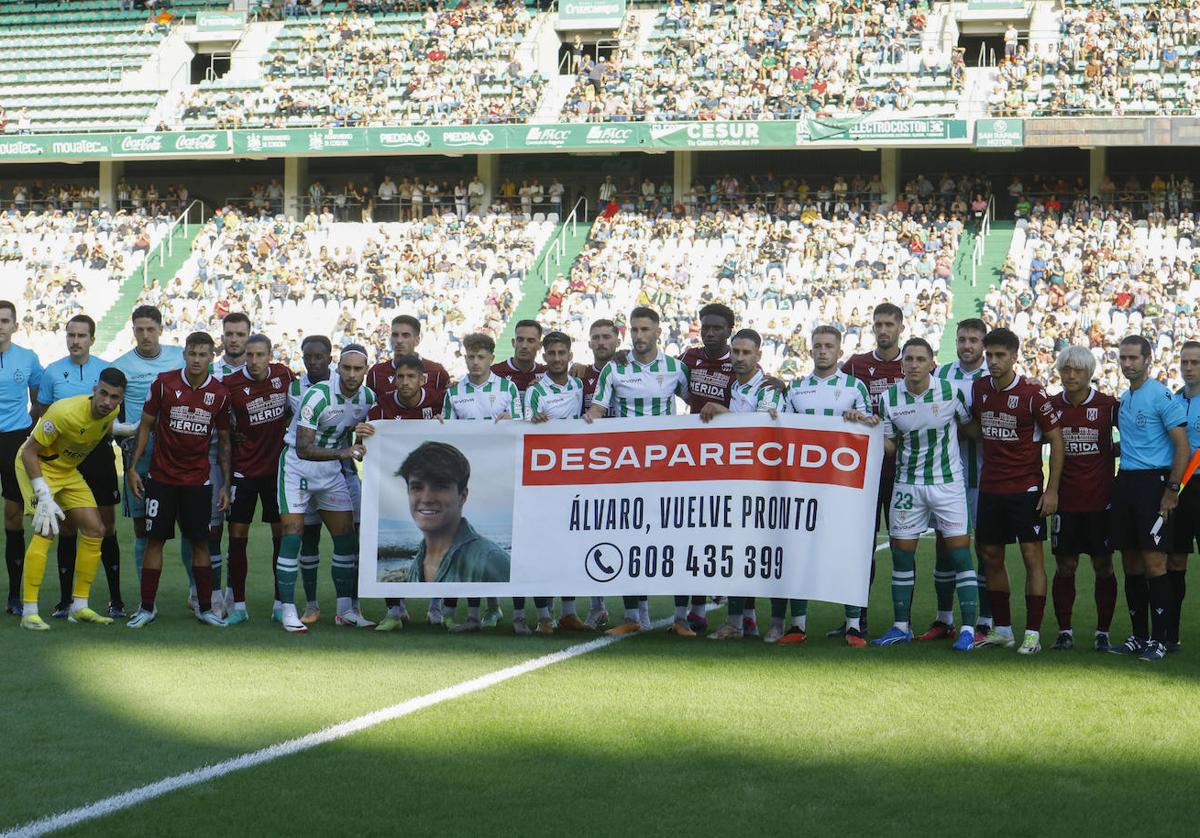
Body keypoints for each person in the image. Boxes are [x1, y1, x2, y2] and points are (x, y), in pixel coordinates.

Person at [586, 306, 690, 636]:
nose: (639, 336)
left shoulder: (675, 368)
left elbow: (696, 406)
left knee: (675, 536)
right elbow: (597, 410)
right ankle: (634, 614)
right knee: (629, 536)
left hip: (665, 467)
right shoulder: (615, 368)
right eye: (634, 330)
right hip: (626, 467)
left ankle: (682, 617)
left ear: (659, 332)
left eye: (645, 330)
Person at [871, 338, 978, 651]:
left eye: (920, 359)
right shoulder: (889, 398)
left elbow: (970, 428)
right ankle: (900, 626)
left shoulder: (950, 392)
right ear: (902, 363)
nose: (913, 364)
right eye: (909, 359)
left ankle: (968, 630)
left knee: (960, 555)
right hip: (907, 485)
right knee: (902, 556)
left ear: (932, 362)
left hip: (948, 484)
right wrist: (873, 432)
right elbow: (890, 446)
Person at [124, 332, 231, 629]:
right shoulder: (163, 384)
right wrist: (133, 468)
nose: (197, 360)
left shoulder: (220, 394)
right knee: (154, 541)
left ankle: (205, 607)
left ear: (212, 357)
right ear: (184, 354)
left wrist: (224, 484)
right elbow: (145, 426)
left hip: (198, 481)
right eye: (192, 353)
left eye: (203, 355)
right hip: (162, 478)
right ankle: (147, 608)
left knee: (201, 542)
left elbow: (224, 442)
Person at [778, 325, 875, 645]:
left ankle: (853, 625)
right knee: (799, 550)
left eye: (828, 346)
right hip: (804, 486)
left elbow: (873, 428)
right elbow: (783, 434)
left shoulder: (855, 387)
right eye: (817, 345)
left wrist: (861, 420)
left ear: (838, 351)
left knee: (848, 552)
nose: (822, 351)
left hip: (843, 487)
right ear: (810, 350)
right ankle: (798, 625)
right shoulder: (795, 389)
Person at [972, 328, 1064, 655]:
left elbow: (1056, 441)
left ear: (1014, 357)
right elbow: (975, 427)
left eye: (1000, 356)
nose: (993, 362)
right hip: (991, 487)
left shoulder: (1032, 394)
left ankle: (1033, 633)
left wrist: (1051, 491)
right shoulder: (980, 388)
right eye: (990, 355)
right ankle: (1004, 630)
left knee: (1031, 558)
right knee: (992, 557)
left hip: (1025, 489)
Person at [14, 369, 128, 630]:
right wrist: (43, 494)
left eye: (114, 397)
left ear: (120, 399)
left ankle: (80, 607)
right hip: (36, 467)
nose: (107, 402)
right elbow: (29, 453)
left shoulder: (110, 412)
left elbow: (105, 427)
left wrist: (126, 429)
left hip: (66, 471)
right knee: (46, 530)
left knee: (96, 529)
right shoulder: (62, 412)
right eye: (103, 393)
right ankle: (29, 612)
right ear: (94, 389)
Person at [275, 345, 376, 633]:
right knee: (293, 537)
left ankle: (346, 611)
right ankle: (288, 611)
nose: (352, 374)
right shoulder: (317, 395)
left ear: (365, 371)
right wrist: (345, 453)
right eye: (347, 368)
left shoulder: (368, 398)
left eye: (358, 369)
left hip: (330, 471)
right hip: (296, 466)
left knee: (345, 539)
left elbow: (378, 429)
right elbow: (305, 448)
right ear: (338, 367)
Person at [700, 328, 789, 641]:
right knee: (739, 552)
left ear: (758, 355)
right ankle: (736, 622)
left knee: (772, 554)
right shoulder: (735, 387)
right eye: (736, 352)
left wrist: (723, 414)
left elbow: (762, 428)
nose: (739, 358)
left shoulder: (767, 388)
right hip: (739, 482)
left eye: (746, 353)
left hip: (769, 484)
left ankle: (777, 622)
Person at [1108, 336, 1190, 661]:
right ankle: (1137, 636)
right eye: (1123, 358)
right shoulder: (1125, 399)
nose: (1127, 364)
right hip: (1125, 482)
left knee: (1155, 561)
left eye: (1133, 358)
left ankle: (1159, 640)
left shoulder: (1160, 395)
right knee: (1130, 561)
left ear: (1147, 359)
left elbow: (1182, 447)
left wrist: (1171, 491)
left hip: (1154, 484)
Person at [36, 314, 123, 619]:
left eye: (81, 336)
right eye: (71, 335)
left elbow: (114, 415)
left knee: (107, 527)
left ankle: (116, 600)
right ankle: (65, 601)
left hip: (98, 456)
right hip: (65, 460)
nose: (75, 341)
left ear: (92, 339)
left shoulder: (107, 371)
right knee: (68, 528)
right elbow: (42, 413)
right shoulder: (52, 372)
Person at [439, 333, 521, 633]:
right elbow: (446, 435)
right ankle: (475, 609)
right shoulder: (454, 392)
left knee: (494, 542)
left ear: (490, 358)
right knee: (469, 541)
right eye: (470, 357)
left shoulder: (507, 388)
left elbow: (523, 429)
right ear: (465, 357)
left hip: (499, 474)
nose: (475, 362)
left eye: (481, 357)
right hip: (467, 479)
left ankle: (495, 605)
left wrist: (511, 421)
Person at [833, 302, 904, 639]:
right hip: (860, 472)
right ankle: (856, 617)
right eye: (878, 324)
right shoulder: (856, 365)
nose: (883, 330)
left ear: (901, 328)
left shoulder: (915, 363)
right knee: (860, 545)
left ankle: (903, 622)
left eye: (889, 324)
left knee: (904, 546)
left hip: (902, 470)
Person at [110, 306, 185, 597]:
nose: (145, 335)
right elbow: (114, 411)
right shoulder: (122, 365)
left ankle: (195, 593)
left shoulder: (179, 357)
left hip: (178, 448)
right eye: (139, 330)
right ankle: (146, 596)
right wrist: (124, 434)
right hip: (139, 451)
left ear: (161, 329)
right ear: (133, 331)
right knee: (142, 525)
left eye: (150, 329)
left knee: (188, 523)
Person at [1048, 346, 1118, 652]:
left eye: (1077, 370)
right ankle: (1065, 631)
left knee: (1103, 566)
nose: (1071, 375)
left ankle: (1103, 632)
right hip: (1064, 502)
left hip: (1101, 503)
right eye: (1066, 369)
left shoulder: (1107, 406)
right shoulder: (1050, 405)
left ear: (1089, 373)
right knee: (1065, 567)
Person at [921, 318, 988, 641]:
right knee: (944, 546)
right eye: (962, 339)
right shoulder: (941, 375)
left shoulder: (994, 375)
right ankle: (944, 618)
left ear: (983, 345)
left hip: (985, 476)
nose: (967, 345)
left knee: (988, 548)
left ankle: (985, 621)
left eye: (973, 340)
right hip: (944, 476)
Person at [366, 353, 442, 632]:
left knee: (438, 542)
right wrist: (362, 435)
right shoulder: (381, 408)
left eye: (411, 377)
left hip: (431, 489)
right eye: (400, 377)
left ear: (423, 379)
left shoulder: (439, 401)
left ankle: (437, 607)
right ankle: (395, 610)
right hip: (392, 490)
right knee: (388, 540)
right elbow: (365, 450)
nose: (405, 382)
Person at [222, 334, 294, 625]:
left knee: (281, 538)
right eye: (249, 355)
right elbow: (220, 421)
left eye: (259, 355)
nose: (253, 361)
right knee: (238, 538)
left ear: (270, 355)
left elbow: (295, 408)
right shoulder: (230, 385)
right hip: (244, 471)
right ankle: (238, 605)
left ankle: (280, 603)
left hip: (276, 471)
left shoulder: (284, 375)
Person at [522, 331, 587, 636]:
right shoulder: (535, 391)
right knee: (544, 547)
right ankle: (544, 615)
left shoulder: (578, 385)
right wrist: (533, 423)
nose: (558, 358)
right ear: (544, 356)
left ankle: (569, 612)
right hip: (544, 479)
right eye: (552, 353)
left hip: (573, 475)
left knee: (569, 545)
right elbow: (525, 429)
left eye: (563, 353)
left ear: (570, 355)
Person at [398, 442, 510, 584]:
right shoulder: (419, 561)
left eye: (440, 487)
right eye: (417, 487)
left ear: (462, 496)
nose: (426, 499)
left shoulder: (492, 560)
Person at [0, 300, 44, 616]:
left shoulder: (27, 358)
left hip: (15, 440)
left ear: (15, 325)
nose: (0, 325)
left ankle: (15, 595)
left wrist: (28, 427)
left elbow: (40, 398)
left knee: (14, 515)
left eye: (5, 320)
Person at [288, 335, 336, 625]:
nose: (314, 362)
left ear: (330, 358)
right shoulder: (294, 388)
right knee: (310, 539)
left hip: (337, 473)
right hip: (304, 470)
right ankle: (311, 603)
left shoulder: (345, 385)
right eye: (308, 357)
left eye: (319, 357)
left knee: (349, 538)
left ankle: (350, 605)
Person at [208, 312, 251, 617]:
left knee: (239, 529)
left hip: (249, 460)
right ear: (221, 337)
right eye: (229, 334)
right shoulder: (211, 372)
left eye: (240, 334)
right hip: (212, 454)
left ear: (249, 336)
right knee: (212, 526)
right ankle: (209, 591)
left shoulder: (258, 369)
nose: (234, 339)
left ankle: (234, 593)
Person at [1167, 341, 1200, 652]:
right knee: (1175, 561)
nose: (1189, 368)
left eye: (1195, 362)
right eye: (1185, 362)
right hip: (1177, 490)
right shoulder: (1173, 401)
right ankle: (1170, 635)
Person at [365, 314, 451, 403]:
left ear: (417, 340)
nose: (399, 340)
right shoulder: (376, 373)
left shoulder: (437, 372)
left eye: (405, 335)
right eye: (395, 335)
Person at [492, 319, 547, 395]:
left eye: (530, 341)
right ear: (513, 343)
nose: (524, 346)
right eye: (520, 340)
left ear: (540, 345)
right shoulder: (494, 373)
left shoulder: (546, 375)